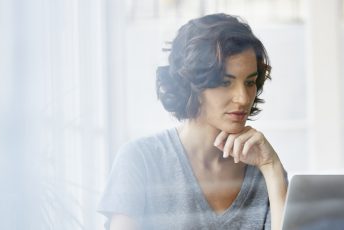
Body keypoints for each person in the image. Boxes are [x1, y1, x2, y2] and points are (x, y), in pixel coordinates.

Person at [98, 13, 288, 230]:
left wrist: (271, 167)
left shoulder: (263, 171)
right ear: (192, 84)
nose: (243, 98)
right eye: (226, 82)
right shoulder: (140, 160)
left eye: (250, 82)